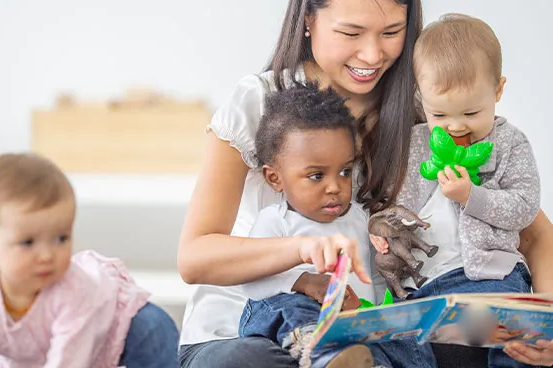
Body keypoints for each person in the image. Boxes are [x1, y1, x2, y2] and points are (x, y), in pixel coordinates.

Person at [176, 0, 553, 367]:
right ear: (308, 19)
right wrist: (303, 250)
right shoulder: (260, 102)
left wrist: (548, 326)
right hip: (243, 328)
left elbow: (533, 233)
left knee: (473, 344)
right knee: (251, 361)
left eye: (392, 31)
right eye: (351, 32)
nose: (372, 55)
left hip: (367, 327)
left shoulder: (431, 115)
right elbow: (195, 257)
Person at [372, 14, 540, 367]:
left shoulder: (509, 143)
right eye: (440, 115)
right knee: (397, 344)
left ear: (498, 90)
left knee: (513, 339)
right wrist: (383, 231)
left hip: (488, 276)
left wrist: (471, 196)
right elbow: (391, 204)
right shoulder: (414, 144)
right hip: (421, 287)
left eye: (471, 112)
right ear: (422, 99)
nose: (456, 126)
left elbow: (524, 207)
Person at [0, 153, 179, 368]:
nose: (47, 255)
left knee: (154, 332)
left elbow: (67, 361)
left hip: (121, 325)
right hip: (43, 351)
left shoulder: (71, 290)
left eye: (61, 238)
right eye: (28, 243)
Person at [237, 84, 380, 368]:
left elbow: (372, 276)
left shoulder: (360, 218)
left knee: (401, 338)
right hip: (293, 322)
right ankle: (320, 352)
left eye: (345, 172)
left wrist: (372, 309)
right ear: (275, 178)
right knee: (287, 304)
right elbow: (251, 281)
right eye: (316, 176)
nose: (335, 187)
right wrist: (304, 283)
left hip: (352, 322)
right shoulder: (275, 220)